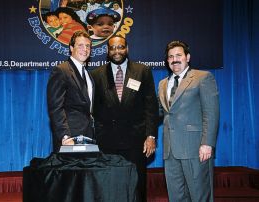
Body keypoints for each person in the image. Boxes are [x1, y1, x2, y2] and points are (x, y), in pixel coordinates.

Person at [91, 35, 159, 202]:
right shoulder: (96, 74)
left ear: (127, 49)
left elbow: (151, 107)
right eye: (113, 48)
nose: (117, 51)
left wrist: (151, 136)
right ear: (107, 51)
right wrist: (97, 136)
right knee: (109, 186)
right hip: (107, 142)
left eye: (120, 47)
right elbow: (93, 110)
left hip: (136, 141)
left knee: (136, 185)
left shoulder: (142, 71)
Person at [157, 40, 220, 202]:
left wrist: (207, 143)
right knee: (176, 196)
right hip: (170, 151)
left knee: (200, 195)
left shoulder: (203, 77)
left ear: (188, 57)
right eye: (171, 57)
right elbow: (158, 112)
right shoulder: (163, 84)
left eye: (179, 55)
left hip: (195, 148)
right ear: (167, 60)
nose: (174, 59)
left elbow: (211, 113)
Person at [47, 30, 94, 151]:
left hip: (88, 136)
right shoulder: (61, 70)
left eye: (88, 46)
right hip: (70, 139)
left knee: (85, 170)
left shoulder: (88, 75)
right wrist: (65, 136)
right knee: (70, 170)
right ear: (71, 47)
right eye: (80, 45)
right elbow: (56, 107)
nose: (85, 49)